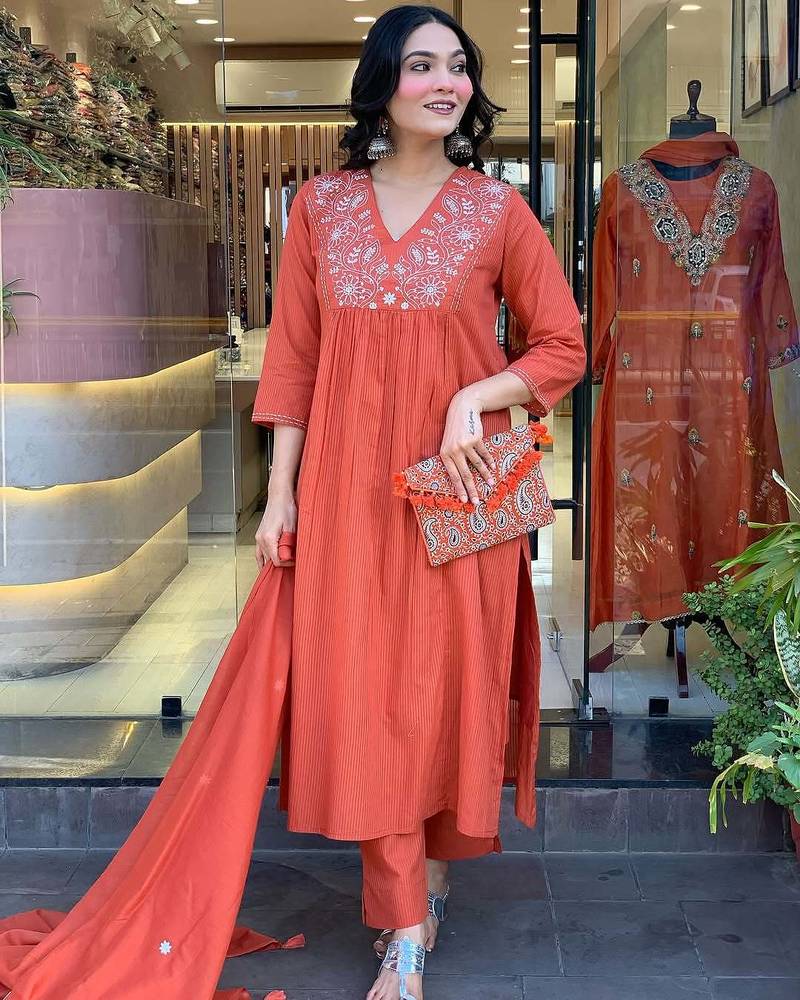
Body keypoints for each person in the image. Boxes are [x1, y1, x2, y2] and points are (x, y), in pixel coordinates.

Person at [251, 7, 586, 1000]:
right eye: (420, 65)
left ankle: (429, 876)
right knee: (367, 695)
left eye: (458, 66)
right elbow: (293, 362)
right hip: (347, 494)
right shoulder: (319, 209)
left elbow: (561, 345)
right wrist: (279, 496)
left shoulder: (496, 210)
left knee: (442, 692)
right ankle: (402, 922)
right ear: (381, 84)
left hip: (459, 493)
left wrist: (473, 396)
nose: (445, 82)